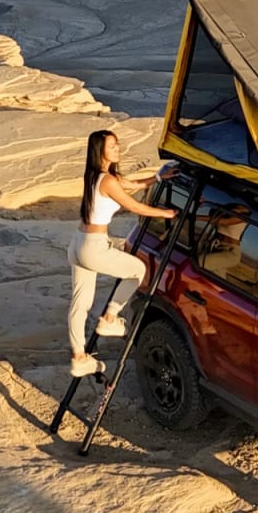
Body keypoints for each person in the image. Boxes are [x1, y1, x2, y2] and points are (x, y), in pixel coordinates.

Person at [67, 130, 179, 377]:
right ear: (101, 151)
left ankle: (79, 357)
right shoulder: (107, 180)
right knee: (138, 270)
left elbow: (131, 185)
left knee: (80, 304)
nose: (118, 148)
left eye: (117, 144)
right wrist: (166, 214)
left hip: (78, 243)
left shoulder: (97, 175)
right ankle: (109, 318)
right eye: (113, 146)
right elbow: (133, 205)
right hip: (93, 246)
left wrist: (157, 178)